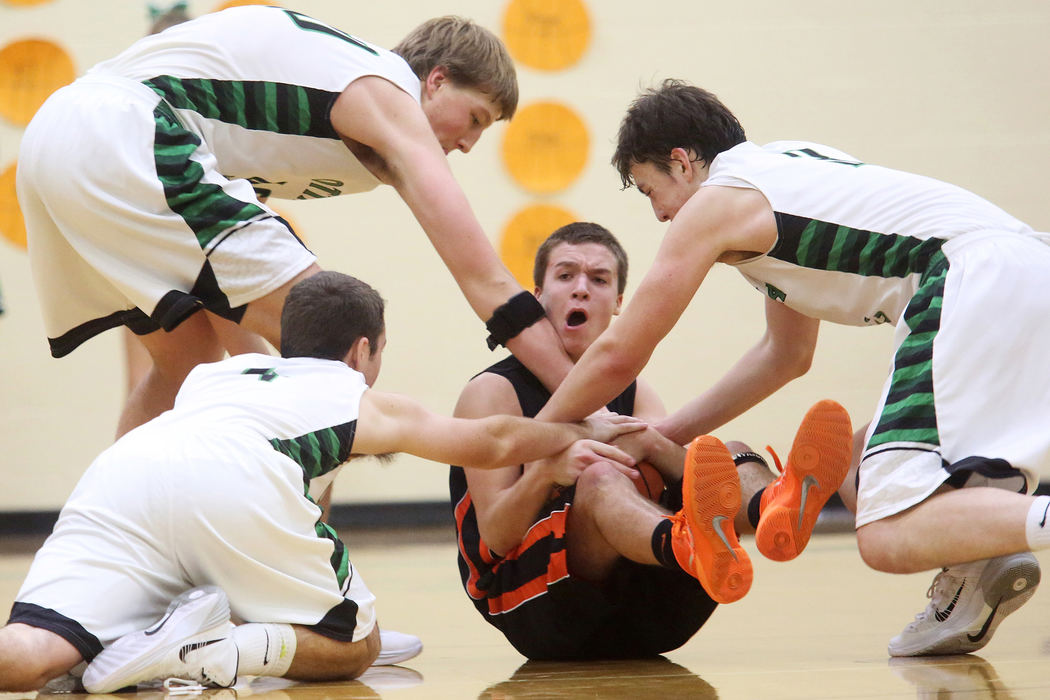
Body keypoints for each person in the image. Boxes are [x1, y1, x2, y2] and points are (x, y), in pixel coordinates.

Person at [536, 79, 1049, 657]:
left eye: (652, 191)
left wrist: (537, 437)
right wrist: (658, 436)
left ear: (681, 163)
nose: (659, 215)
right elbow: (783, 357)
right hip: (1028, 268)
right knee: (859, 473)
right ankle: (976, 576)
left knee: (886, 532)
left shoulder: (717, 202)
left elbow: (620, 353)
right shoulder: (786, 168)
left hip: (969, 279)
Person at [0, 271, 645, 693]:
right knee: (356, 647)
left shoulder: (224, 375)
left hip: (120, 476)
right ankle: (213, 649)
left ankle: (130, 643)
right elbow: (497, 438)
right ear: (364, 351)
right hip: (235, 478)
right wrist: (576, 436)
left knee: (28, 652)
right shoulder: (351, 392)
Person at [17, 5, 574, 439]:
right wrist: (581, 398)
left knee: (186, 366)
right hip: (123, 131)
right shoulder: (385, 91)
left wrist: (266, 377)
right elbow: (486, 280)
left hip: (61, 142)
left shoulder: (339, 112)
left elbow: (236, 294)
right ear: (435, 80)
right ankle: (305, 547)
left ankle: (110, 546)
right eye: (475, 118)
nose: (471, 143)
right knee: (344, 342)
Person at [451, 222, 853, 659]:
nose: (581, 289)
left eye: (599, 279)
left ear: (620, 304)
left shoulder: (635, 390)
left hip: (656, 609)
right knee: (603, 475)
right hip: (536, 607)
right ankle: (688, 543)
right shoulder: (492, 392)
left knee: (726, 452)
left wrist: (652, 444)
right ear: (537, 298)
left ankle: (773, 505)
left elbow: (685, 480)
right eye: (566, 276)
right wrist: (547, 470)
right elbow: (495, 535)